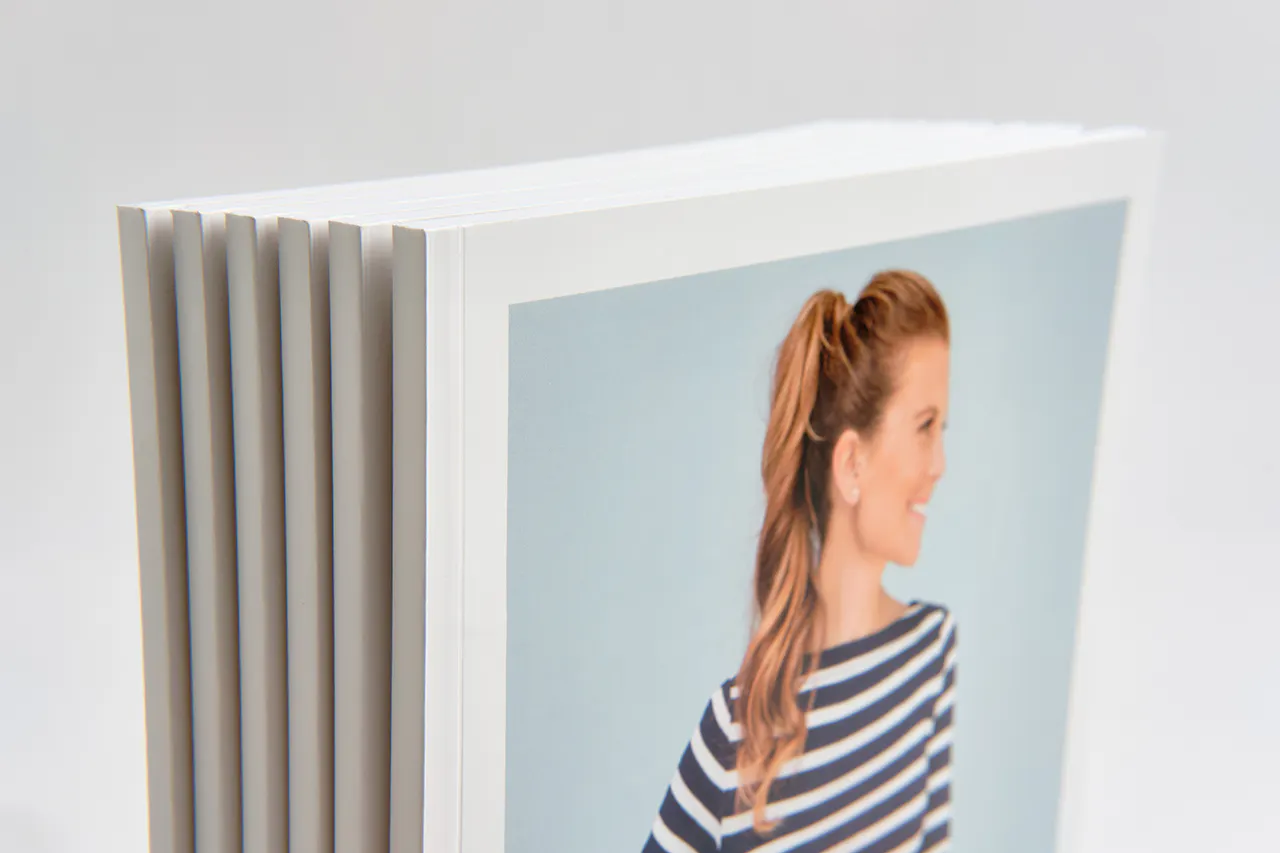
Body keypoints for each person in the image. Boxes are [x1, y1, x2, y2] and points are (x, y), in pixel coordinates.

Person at [642, 270, 958, 853]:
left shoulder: (931, 652)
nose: (939, 463)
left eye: (943, 428)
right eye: (923, 428)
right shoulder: (734, 731)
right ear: (852, 465)